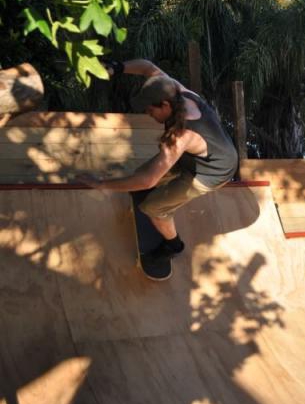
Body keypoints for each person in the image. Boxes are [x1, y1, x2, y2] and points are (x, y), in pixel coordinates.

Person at [79, 59, 239, 260]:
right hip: (201, 155)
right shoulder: (176, 91)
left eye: (150, 110)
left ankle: (174, 246)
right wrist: (116, 67)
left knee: (152, 207)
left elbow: (148, 180)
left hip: (214, 172)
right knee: (139, 176)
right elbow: (148, 67)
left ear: (165, 105)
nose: (148, 114)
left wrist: (102, 184)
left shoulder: (180, 136)